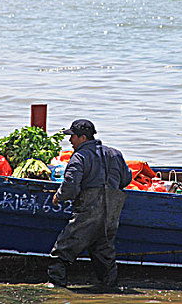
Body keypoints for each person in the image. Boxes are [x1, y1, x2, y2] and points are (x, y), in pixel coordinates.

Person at [48, 119, 132, 288]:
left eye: (73, 137)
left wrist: (58, 196)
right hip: (111, 214)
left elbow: (70, 186)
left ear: (83, 138)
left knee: (62, 251)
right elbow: (126, 178)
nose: (70, 141)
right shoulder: (115, 154)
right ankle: (110, 288)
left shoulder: (79, 157)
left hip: (88, 212)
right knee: (104, 252)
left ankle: (56, 288)